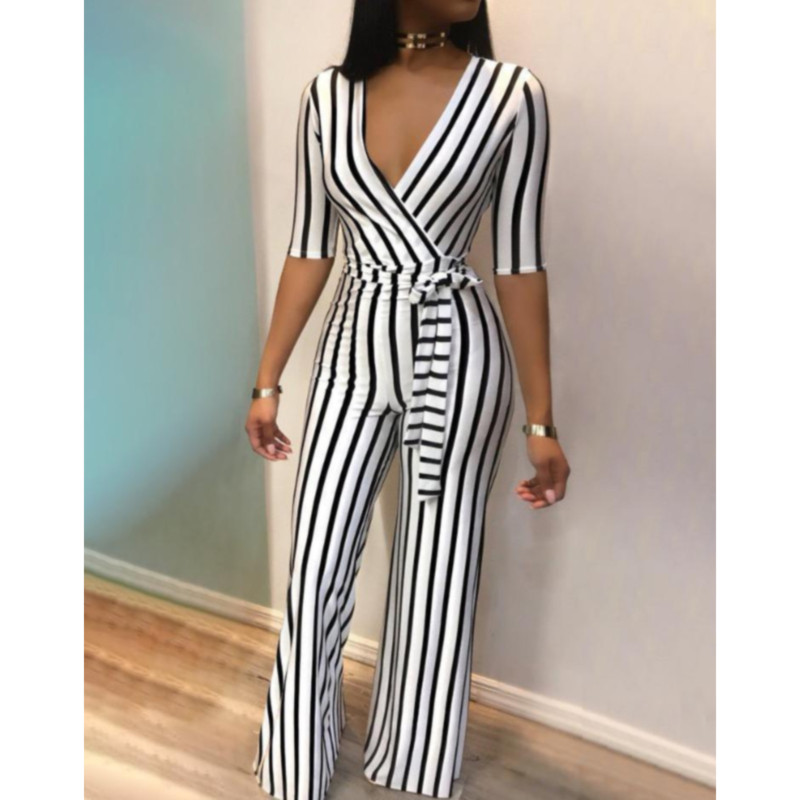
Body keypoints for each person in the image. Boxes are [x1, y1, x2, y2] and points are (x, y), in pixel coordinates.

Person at [246, 1, 571, 798]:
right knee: (317, 559)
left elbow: (519, 262)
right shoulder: (326, 97)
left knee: (439, 568)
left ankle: (415, 766)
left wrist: (540, 420)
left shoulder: (511, 95)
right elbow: (310, 246)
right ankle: (295, 765)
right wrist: (267, 379)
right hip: (352, 349)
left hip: (459, 351)